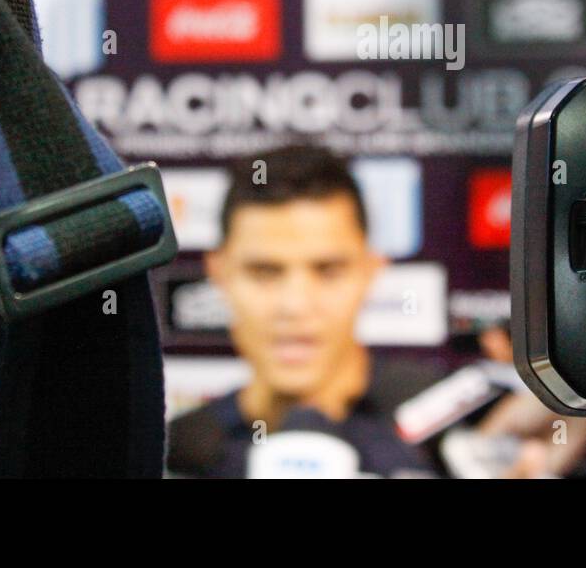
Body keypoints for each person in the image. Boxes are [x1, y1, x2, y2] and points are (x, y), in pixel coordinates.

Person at [166, 145, 440, 477]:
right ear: (219, 273)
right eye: (265, 272)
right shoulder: (172, 455)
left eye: (327, 271)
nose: (295, 306)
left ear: (371, 271)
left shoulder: (457, 429)